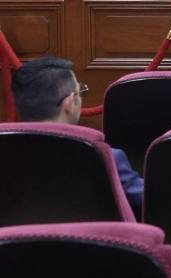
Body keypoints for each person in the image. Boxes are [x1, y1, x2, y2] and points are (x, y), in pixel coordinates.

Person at [11, 57, 144, 216]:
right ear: (69, 102)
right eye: (81, 92)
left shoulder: (7, 155)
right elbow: (151, 200)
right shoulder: (106, 157)